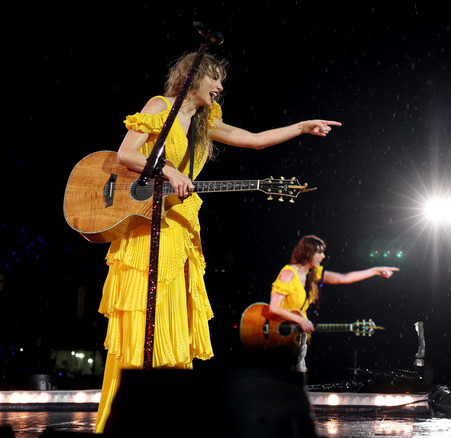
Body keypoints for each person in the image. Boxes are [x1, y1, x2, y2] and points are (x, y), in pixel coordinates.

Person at [95, 52, 342, 433]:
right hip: (146, 232)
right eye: (215, 77)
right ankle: (128, 421)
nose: (221, 86)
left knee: (174, 326)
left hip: (179, 230)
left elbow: (255, 140)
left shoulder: (204, 122)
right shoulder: (159, 107)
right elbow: (127, 153)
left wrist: (302, 126)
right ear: (191, 78)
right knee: (146, 326)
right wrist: (169, 169)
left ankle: (167, 422)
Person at [263, 235, 399, 375]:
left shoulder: (312, 274)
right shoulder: (288, 273)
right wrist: (300, 320)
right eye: (319, 252)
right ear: (308, 252)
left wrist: (375, 271)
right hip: (278, 338)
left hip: (296, 340)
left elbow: (343, 278)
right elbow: (274, 307)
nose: (323, 256)